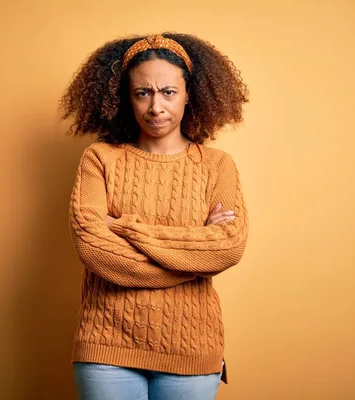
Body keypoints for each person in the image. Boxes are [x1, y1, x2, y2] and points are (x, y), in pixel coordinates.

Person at [60, 32, 249, 400]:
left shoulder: (216, 165)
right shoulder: (100, 158)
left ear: (189, 94)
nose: (156, 107)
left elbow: (227, 247)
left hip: (192, 348)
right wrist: (192, 259)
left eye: (168, 92)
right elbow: (94, 248)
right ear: (125, 98)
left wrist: (127, 227)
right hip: (106, 345)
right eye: (143, 93)